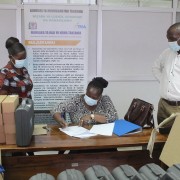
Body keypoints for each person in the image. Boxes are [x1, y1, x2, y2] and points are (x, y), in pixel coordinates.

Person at [51, 77, 118, 127]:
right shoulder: (77, 100)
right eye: (88, 95)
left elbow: (114, 117)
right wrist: (60, 120)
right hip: (81, 139)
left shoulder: (104, 100)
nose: (90, 98)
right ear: (86, 91)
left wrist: (91, 116)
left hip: (102, 138)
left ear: (100, 96)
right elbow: (56, 109)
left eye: (94, 97)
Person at [152, 22, 180, 134]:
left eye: (172, 39)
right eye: (168, 39)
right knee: (162, 137)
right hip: (163, 104)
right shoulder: (167, 52)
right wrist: (163, 81)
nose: (170, 42)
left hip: (178, 107)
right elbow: (155, 67)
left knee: (176, 142)